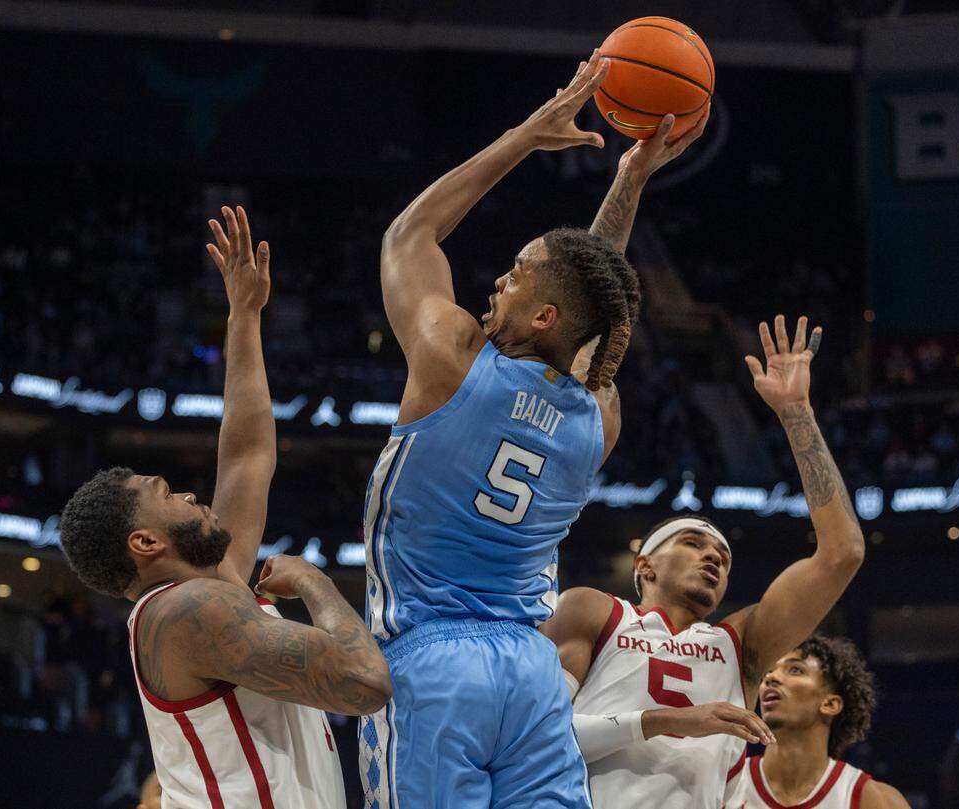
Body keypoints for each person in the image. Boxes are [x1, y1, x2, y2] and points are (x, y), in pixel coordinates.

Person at [357, 50, 711, 809]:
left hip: (433, 662)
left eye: (516, 273)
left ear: (545, 316)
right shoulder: (598, 417)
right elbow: (594, 299)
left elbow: (409, 237)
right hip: (531, 670)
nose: (499, 280)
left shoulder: (450, 357)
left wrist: (525, 135)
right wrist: (628, 179)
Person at [60, 207, 390, 809]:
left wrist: (243, 316)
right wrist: (315, 584)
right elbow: (361, 679)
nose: (190, 494)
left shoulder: (217, 583)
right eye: (167, 496)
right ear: (145, 543)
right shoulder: (188, 610)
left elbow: (245, 454)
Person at [541, 315, 866, 808]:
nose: (713, 557)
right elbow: (534, 737)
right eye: (693, 543)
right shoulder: (593, 611)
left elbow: (843, 554)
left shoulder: (741, 645)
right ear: (645, 565)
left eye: (723, 556)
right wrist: (661, 722)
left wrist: (797, 412)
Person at [730, 635, 909, 808]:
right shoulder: (726, 784)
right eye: (769, 670)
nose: (770, 678)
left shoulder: (875, 801)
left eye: (795, 670)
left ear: (830, 704)